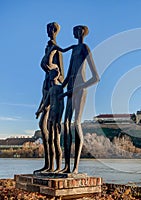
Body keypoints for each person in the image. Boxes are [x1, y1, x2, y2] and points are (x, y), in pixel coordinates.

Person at [59, 25, 100, 173]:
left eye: (79, 30)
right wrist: (59, 89)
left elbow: (96, 77)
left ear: (83, 32)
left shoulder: (84, 48)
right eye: (74, 30)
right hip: (70, 89)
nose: (75, 33)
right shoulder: (73, 50)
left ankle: (75, 167)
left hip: (79, 89)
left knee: (76, 123)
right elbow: (69, 71)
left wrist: (79, 87)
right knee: (65, 125)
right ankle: (67, 166)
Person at [34, 22, 64, 173]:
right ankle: (48, 164)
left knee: (51, 130)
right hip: (46, 88)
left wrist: (55, 84)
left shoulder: (56, 50)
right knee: (42, 126)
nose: (48, 32)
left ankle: (54, 166)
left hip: (53, 89)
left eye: (50, 29)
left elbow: (61, 74)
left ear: (54, 30)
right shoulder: (48, 47)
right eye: (47, 29)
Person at [36, 68, 64, 172]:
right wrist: (39, 111)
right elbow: (45, 104)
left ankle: (59, 167)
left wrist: (59, 119)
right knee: (50, 142)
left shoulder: (59, 88)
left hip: (56, 117)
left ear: (56, 76)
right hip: (50, 117)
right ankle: (51, 167)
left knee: (57, 142)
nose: (50, 78)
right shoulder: (51, 90)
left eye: (52, 75)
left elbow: (62, 105)